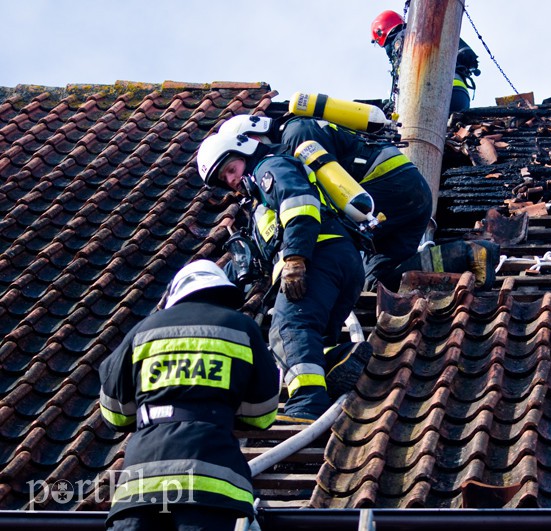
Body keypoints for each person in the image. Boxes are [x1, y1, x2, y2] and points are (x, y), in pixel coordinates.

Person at [196, 128, 372, 425]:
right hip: (341, 261)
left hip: (318, 257)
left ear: (245, 152)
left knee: (289, 328)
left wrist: (294, 258)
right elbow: (253, 260)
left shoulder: (269, 167)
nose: (231, 180)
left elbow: (300, 205)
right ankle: (341, 358)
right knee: (314, 339)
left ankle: (306, 405)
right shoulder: (258, 204)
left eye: (231, 169)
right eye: (223, 180)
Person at [218, 114, 499, 293]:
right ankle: (467, 256)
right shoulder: (290, 140)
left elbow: (315, 198)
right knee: (376, 281)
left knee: (334, 249)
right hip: (404, 197)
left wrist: (297, 254)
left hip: (387, 188)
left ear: (252, 138)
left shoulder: (296, 132)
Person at [98, 259, 280, 530]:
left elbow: (115, 413)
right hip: (211, 475)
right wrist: (222, 407)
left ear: (176, 293)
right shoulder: (241, 328)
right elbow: (262, 414)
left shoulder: (142, 331)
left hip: (141, 480)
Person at [371, 9, 480, 114]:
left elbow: (409, 80)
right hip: (461, 96)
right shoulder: (428, 33)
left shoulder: (402, 40)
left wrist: (396, 104)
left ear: (381, 33)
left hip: (434, 97)